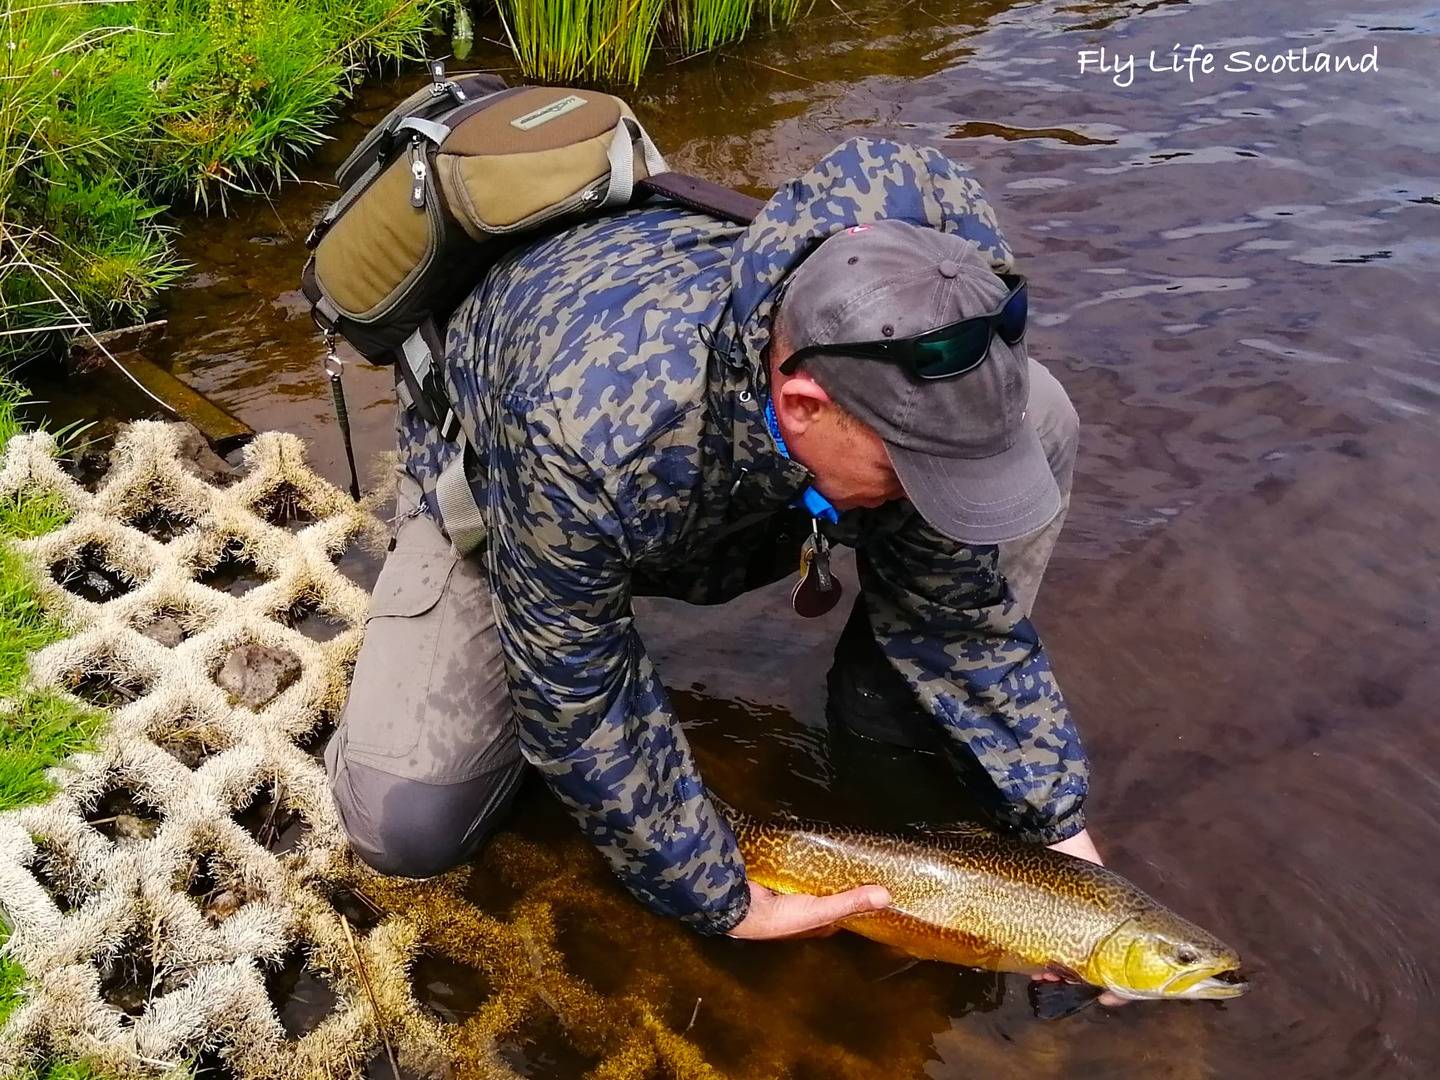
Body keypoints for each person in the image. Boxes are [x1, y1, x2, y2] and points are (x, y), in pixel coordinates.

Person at [324, 135, 1100, 947]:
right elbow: (581, 699)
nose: (935, 499)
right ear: (803, 404)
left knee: (1034, 419)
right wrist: (723, 897)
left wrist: (1059, 832)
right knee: (407, 822)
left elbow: (963, 617)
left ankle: (888, 711)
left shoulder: (929, 316)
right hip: (514, 479)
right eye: (906, 468)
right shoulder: (586, 434)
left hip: (728, 467)